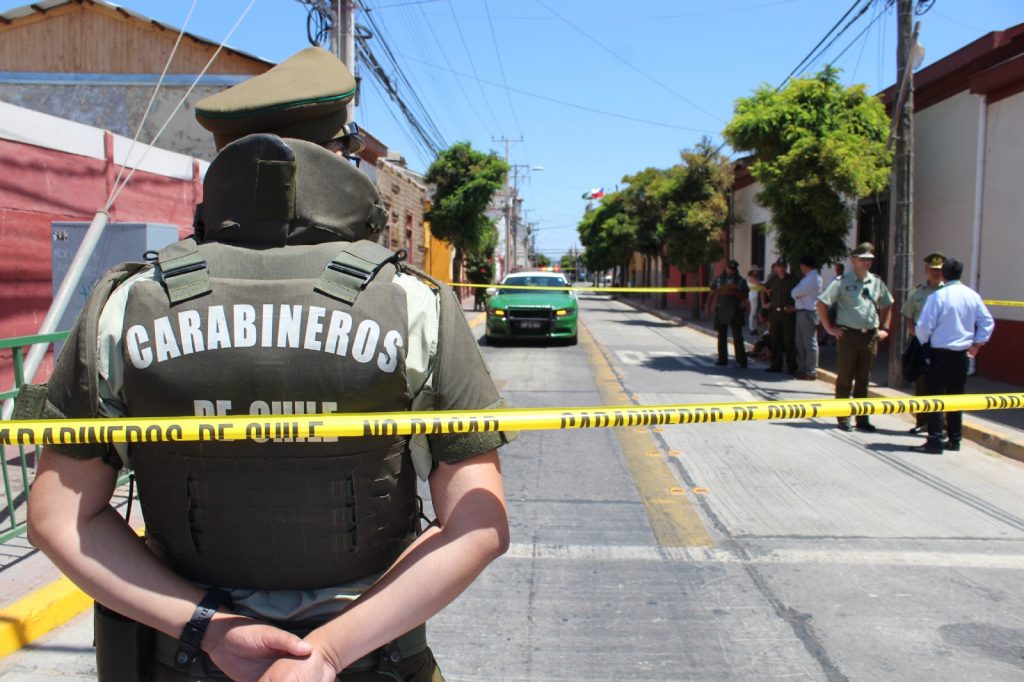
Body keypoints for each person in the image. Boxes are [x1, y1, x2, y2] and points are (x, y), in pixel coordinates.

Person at [20, 47, 512, 682]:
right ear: (339, 155)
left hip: (189, 660)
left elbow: (57, 518)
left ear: (226, 157)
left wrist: (211, 629)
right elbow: (479, 524)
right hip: (372, 662)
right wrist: (328, 653)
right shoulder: (413, 302)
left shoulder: (127, 302)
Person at [912, 258, 995, 454]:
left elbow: (923, 327)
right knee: (956, 397)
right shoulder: (972, 296)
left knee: (936, 398)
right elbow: (987, 322)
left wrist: (924, 343)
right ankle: (955, 439)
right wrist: (976, 344)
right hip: (962, 355)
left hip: (939, 353)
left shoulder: (938, 297)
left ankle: (935, 439)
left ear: (943, 274)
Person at [816, 242, 894, 432]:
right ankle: (843, 417)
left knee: (864, 378)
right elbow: (822, 303)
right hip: (848, 335)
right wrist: (829, 328)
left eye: (870, 260)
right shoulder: (842, 282)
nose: (867, 263)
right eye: (863, 259)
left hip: (869, 337)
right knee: (845, 377)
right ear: (853, 260)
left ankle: (862, 418)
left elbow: (887, 304)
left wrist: (884, 328)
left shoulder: (876, 282)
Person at [901, 252, 946, 433]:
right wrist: (914, 332)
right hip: (921, 343)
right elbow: (908, 315)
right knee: (922, 384)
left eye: (939, 270)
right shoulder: (917, 292)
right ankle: (922, 422)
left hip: (941, 344)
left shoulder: (948, 291)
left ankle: (939, 425)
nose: (936, 273)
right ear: (926, 270)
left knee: (940, 385)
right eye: (932, 270)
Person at [705, 259, 749, 367]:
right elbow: (712, 293)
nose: (731, 271)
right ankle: (722, 358)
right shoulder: (719, 280)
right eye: (729, 268)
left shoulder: (741, 281)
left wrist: (735, 293)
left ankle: (741, 360)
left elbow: (745, 297)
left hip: (735, 310)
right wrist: (708, 306)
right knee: (722, 336)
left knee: (738, 337)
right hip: (722, 310)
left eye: (733, 269)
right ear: (726, 268)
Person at [762, 258, 798, 373]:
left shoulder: (793, 280)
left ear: (786, 267)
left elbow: (801, 294)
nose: (781, 268)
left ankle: (791, 365)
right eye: (779, 266)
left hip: (787, 314)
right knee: (774, 339)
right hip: (774, 313)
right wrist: (764, 304)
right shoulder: (773, 279)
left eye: (783, 266)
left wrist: (795, 307)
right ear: (776, 267)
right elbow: (763, 289)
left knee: (788, 340)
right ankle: (776, 364)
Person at [789, 255, 822, 380]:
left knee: (809, 343)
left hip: (808, 312)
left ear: (805, 265)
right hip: (802, 311)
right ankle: (802, 368)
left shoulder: (813, 278)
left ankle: (811, 371)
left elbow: (795, 292)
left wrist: (796, 294)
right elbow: (796, 292)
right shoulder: (808, 278)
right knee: (800, 342)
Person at [746, 267, 764, 336]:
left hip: (756, 295)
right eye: (756, 271)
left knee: (755, 312)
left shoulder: (755, 278)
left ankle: (755, 327)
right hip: (754, 296)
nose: (757, 272)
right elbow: (759, 284)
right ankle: (752, 328)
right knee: (753, 312)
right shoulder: (751, 277)